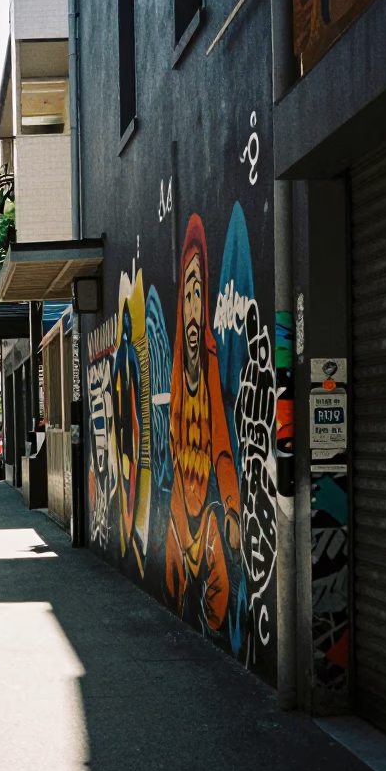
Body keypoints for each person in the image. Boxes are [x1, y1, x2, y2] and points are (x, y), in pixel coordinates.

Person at [165, 214, 241, 632]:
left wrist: (230, 509)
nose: (194, 310)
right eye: (187, 297)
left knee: (219, 602)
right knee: (175, 592)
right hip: (179, 511)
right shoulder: (177, 368)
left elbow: (223, 448)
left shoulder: (209, 363)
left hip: (207, 513)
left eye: (200, 294)